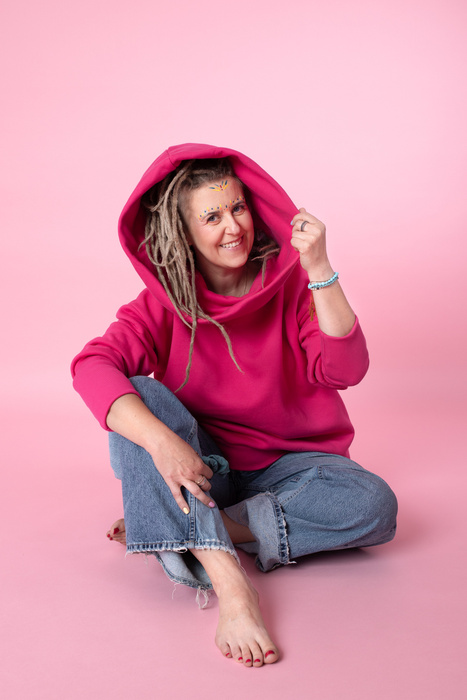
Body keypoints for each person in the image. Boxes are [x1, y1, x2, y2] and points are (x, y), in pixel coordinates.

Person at [71, 143, 397, 668]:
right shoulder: (162, 304)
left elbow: (345, 371)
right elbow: (93, 366)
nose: (233, 227)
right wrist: (163, 444)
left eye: (238, 208)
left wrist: (319, 266)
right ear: (185, 232)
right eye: (212, 217)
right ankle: (232, 585)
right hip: (204, 466)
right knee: (138, 400)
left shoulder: (293, 285)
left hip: (294, 467)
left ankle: (180, 524)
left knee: (373, 504)